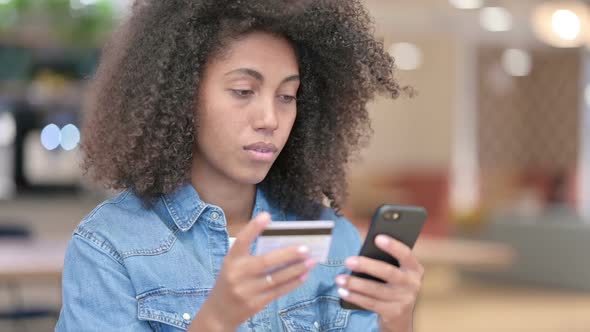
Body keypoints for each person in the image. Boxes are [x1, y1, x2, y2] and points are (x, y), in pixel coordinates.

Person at [55, 1, 424, 331]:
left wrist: (397, 322)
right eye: (244, 91)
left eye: (286, 96)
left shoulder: (331, 237)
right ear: (180, 95)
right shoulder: (110, 246)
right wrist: (216, 320)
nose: (270, 119)